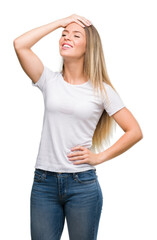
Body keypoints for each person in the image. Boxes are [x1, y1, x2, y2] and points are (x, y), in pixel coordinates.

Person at [13, 14, 143, 240]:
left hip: (82, 185)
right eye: (64, 34)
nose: (66, 37)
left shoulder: (101, 90)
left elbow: (134, 131)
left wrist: (99, 157)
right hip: (44, 183)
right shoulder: (49, 80)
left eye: (75, 35)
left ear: (88, 46)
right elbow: (20, 44)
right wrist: (59, 22)